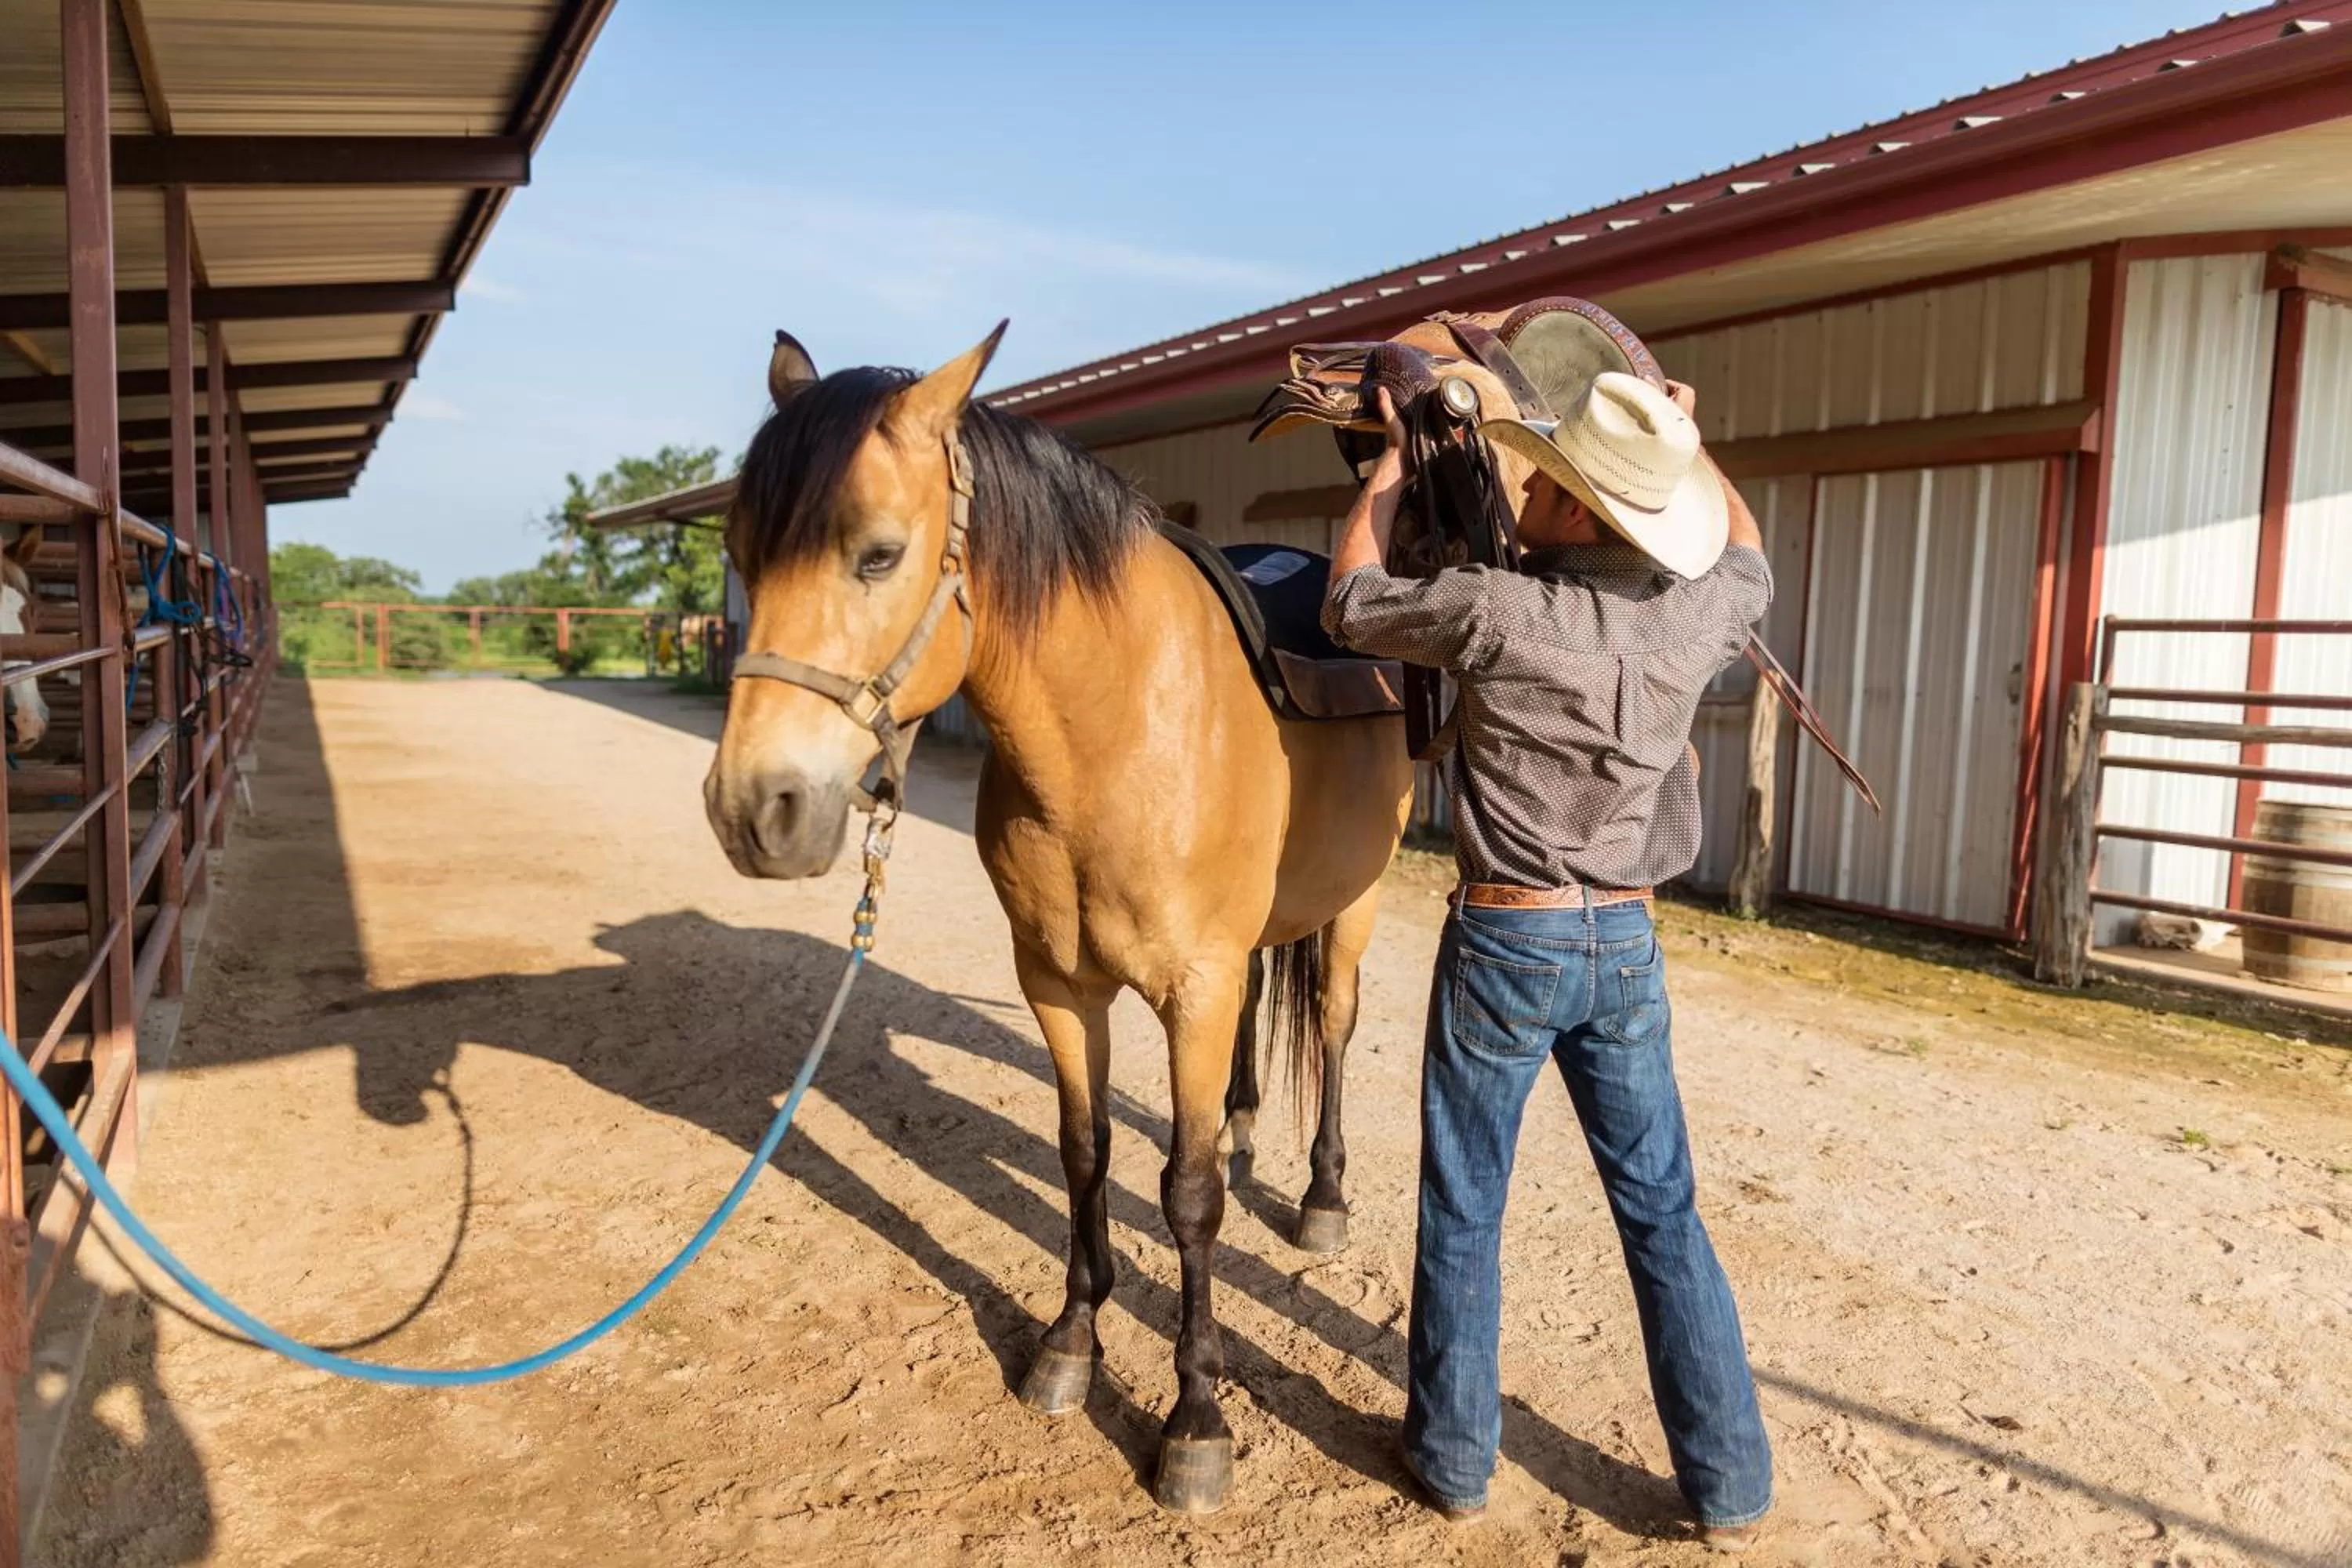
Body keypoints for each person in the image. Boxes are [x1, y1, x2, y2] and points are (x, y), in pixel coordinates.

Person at [1321, 370, 1775, 1551]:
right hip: (1624, 938)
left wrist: (1389, 470)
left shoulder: (1495, 610)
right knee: (1663, 1213)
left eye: (1552, 479)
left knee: (1468, 1199)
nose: (1529, 486)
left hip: (1508, 934)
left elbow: (1350, 605)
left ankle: (1456, 1458)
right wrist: (1685, 436)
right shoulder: (1695, 616)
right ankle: (1728, 1485)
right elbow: (1749, 548)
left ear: (1579, 512)